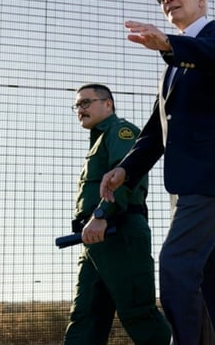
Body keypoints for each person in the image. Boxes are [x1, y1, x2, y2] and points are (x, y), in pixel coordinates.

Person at [98, 0, 215, 345]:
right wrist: (125, 169)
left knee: (175, 266)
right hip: (193, 184)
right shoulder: (172, 68)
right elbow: (157, 130)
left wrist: (169, 45)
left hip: (214, 178)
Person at [65, 83, 171, 345]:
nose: (80, 109)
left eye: (86, 102)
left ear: (108, 104)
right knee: (85, 317)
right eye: (77, 105)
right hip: (95, 238)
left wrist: (102, 214)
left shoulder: (121, 131)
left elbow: (123, 178)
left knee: (139, 314)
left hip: (119, 231)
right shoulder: (99, 140)